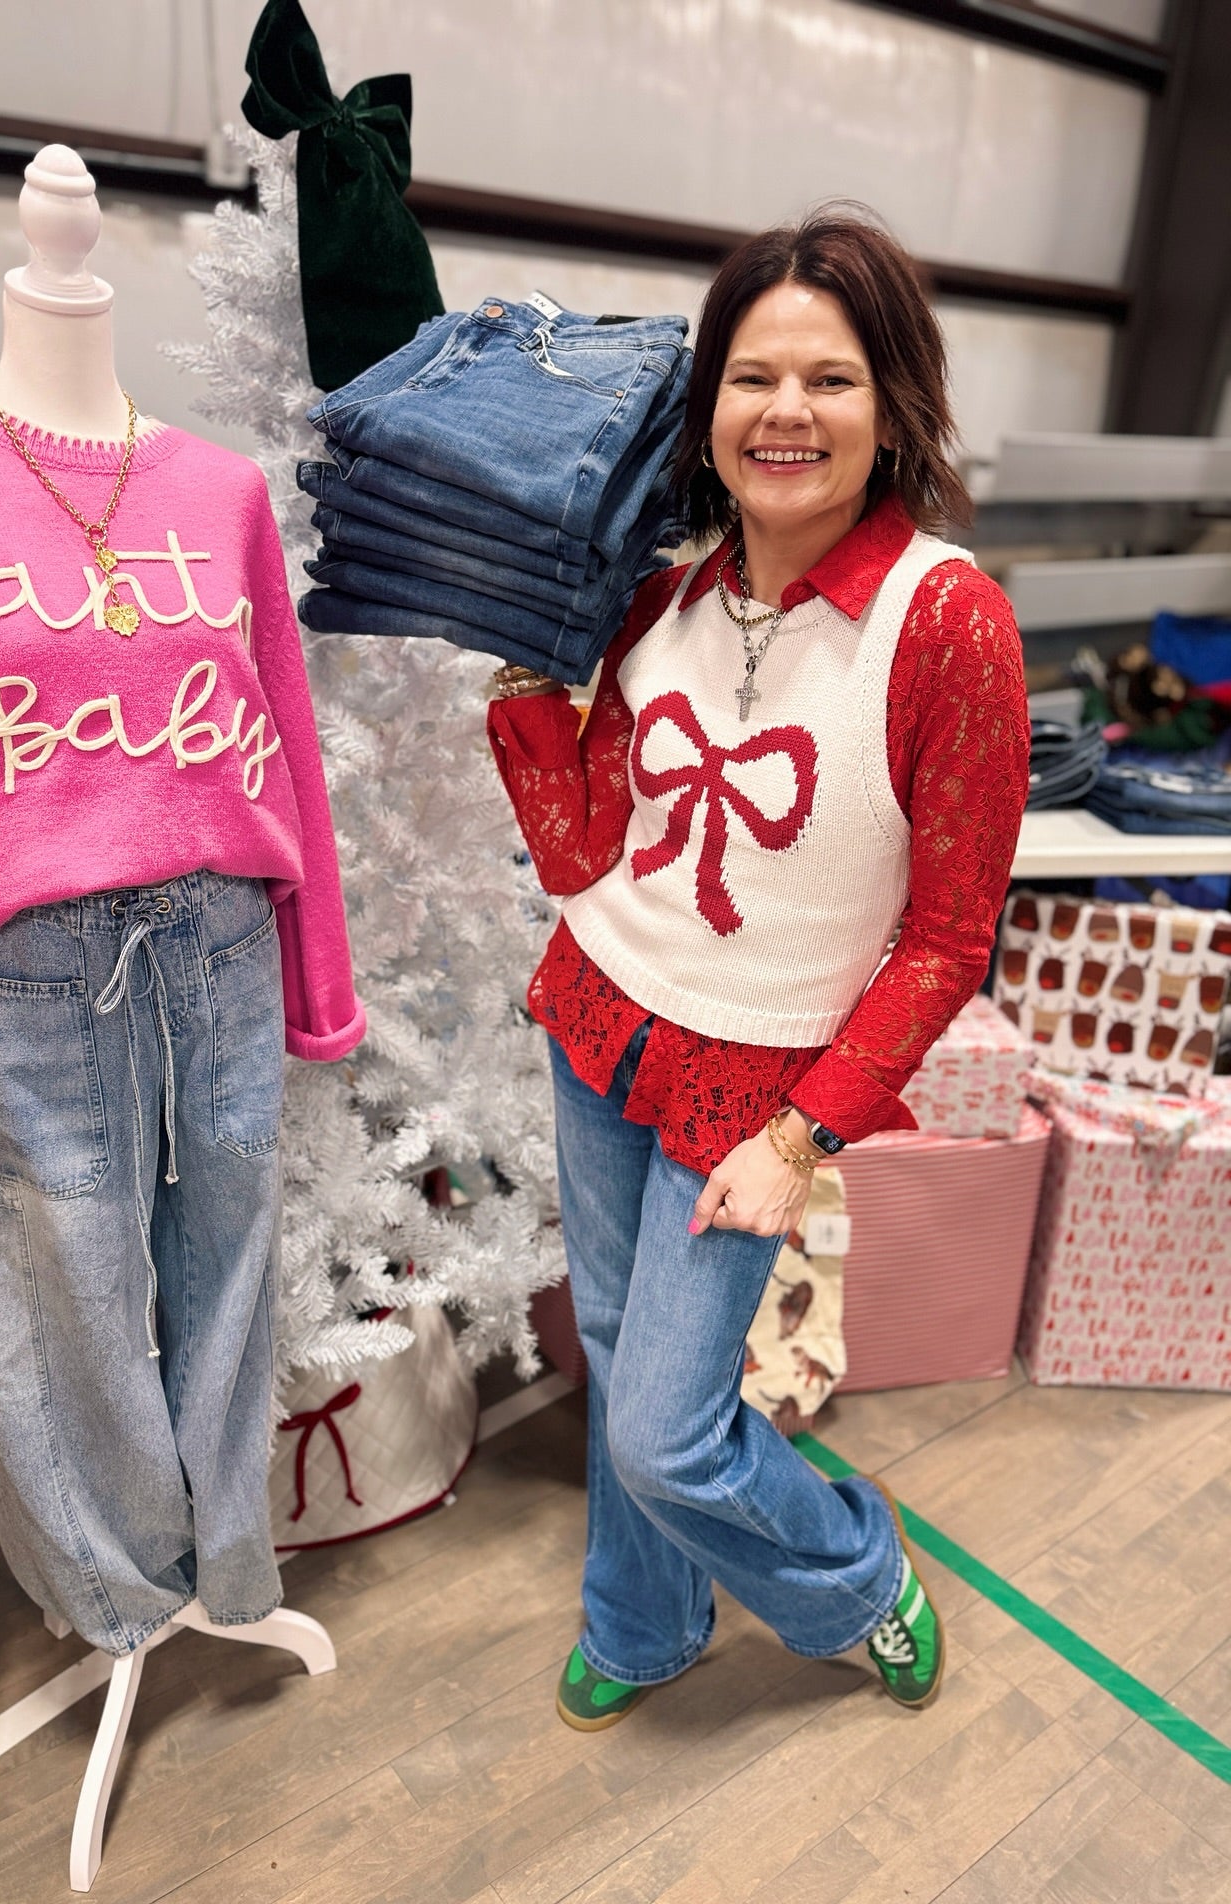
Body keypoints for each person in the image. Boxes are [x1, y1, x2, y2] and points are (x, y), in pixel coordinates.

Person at [487, 208, 1029, 1728]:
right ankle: (643, 1621)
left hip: (756, 1081)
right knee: (609, 1350)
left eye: (833, 379)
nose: (786, 412)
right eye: (752, 376)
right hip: (598, 1015)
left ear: (893, 405)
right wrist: (533, 683)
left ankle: (863, 1581)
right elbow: (583, 853)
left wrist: (803, 1139)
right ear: (708, 404)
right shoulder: (662, 595)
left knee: (668, 1428)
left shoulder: (946, 624)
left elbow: (946, 937)